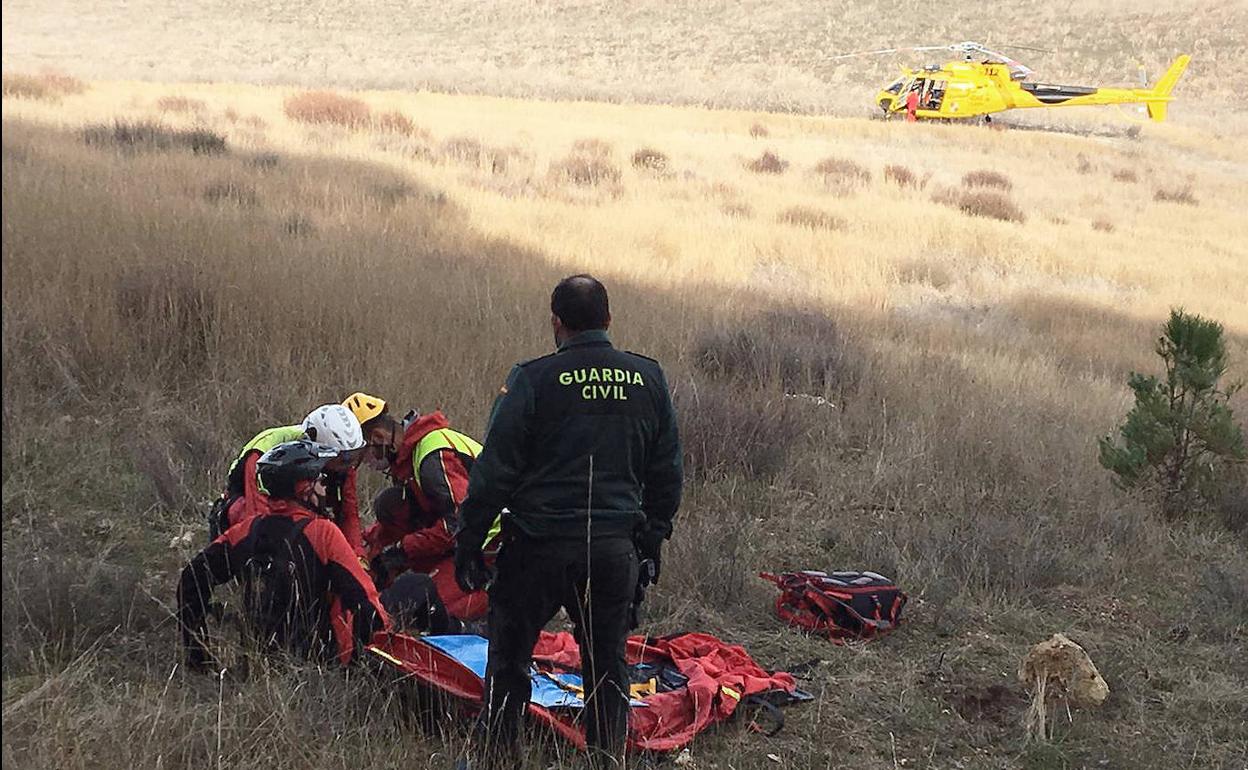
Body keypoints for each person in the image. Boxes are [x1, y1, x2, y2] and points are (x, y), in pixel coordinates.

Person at [454, 274, 683, 767]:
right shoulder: (648, 378)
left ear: (556, 323)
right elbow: (667, 474)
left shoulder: (532, 379)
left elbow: (494, 471)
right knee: (607, 666)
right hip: (611, 550)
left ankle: (499, 757)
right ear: (609, 319)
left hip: (536, 546)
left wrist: (470, 539)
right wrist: (651, 541)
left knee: (510, 660)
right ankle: (606, 760)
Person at [178, 440, 389, 669]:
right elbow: (365, 599)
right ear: (304, 488)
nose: (325, 488)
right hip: (317, 663)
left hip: (258, 661)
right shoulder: (323, 532)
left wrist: (197, 655)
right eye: (321, 481)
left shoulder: (250, 529)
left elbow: (191, 578)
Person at [342, 391, 496, 623]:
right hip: (470, 543)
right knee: (391, 505)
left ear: (379, 436)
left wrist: (402, 550)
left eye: (366, 454)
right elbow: (406, 519)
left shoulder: (432, 457)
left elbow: (461, 523)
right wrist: (369, 553)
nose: (368, 463)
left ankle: (499, 598)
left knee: (429, 607)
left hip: (497, 548)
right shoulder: (410, 458)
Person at [211, 404, 367, 557]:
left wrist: (357, 558)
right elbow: (258, 516)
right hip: (246, 509)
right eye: (344, 458)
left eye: (355, 456)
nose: (349, 465)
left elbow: (349, 513)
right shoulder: (263, 454)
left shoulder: (343, 464)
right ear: (319, 448)